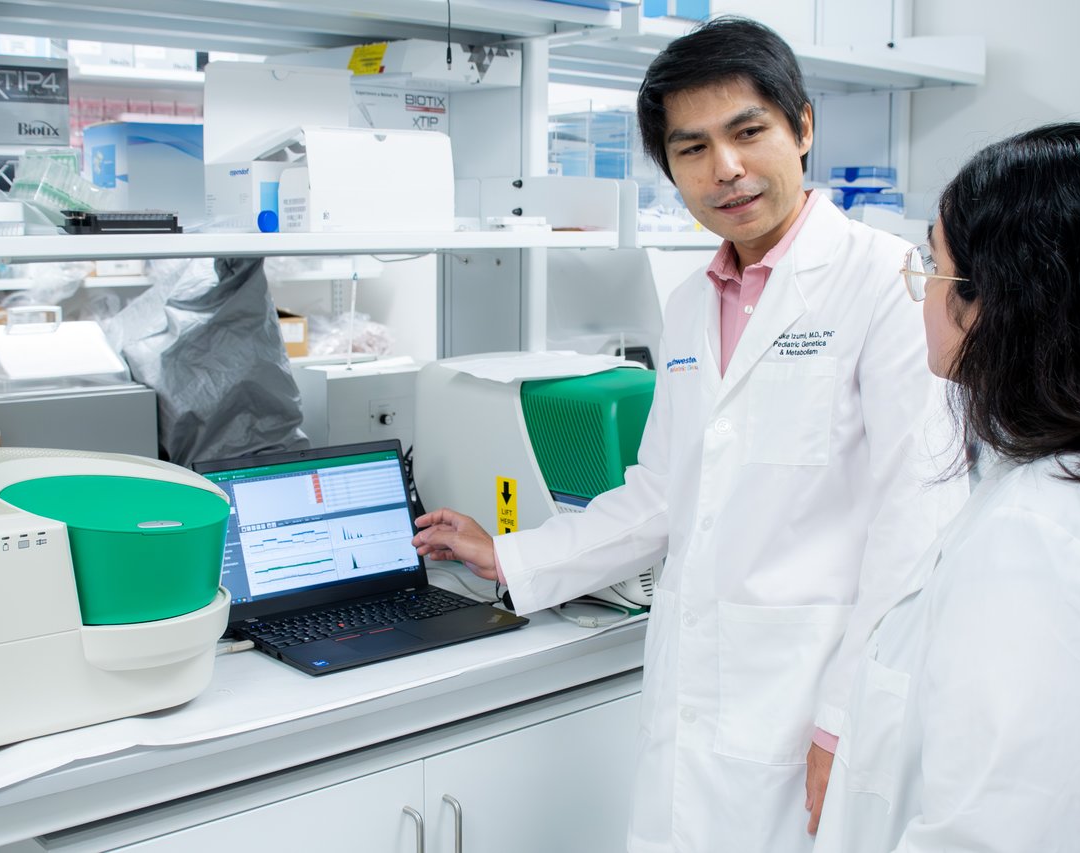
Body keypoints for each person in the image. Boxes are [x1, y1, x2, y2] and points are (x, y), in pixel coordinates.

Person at [413, 16, 966, 852]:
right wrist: (512, 555)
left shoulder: (881, 284)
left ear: (802, 127)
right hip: (700, 699)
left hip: (815, 701)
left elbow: (916, 523)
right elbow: (663, 492)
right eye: (692, 148)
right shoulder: (689, 303)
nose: (725, 169)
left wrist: (847, 718)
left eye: (748, 132)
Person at [813, 122, 1080, 852]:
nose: (922, 293)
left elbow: (1012, 832)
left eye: (933, 267)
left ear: (1000, 302)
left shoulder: (1039, 543)